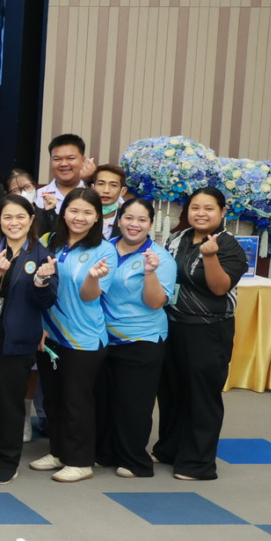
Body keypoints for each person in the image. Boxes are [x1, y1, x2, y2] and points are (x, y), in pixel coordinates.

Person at [155, 188, 248, 481]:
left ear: (222, 212)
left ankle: (198, 463)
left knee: (201, 395)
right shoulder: (177, 238)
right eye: (195, 207)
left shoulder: (229, 245)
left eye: (209, 208)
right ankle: (169, 449)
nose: (201, 213)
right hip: (173, 325)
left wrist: (210, 257)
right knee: (171, 391)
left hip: (208, 330)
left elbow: (220, 288)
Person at [0, 194, 57, 485]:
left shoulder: (41, 255)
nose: (13, 223)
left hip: (16, 338)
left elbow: (46, 301)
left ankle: (7, 461)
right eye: (7, 217)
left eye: (20, 217)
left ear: (31, 220)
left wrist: (41, 281)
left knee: (8, 401)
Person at [29, 188, 112, 483]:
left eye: (88, 213)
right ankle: (58, 451)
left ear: (97, 217)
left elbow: (90, 296)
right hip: (49, 334)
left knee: (76, 400)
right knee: (53, 398)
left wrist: (92, 277)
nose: (80, 217)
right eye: (74, 211)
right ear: (63, 213)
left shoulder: (104, 251)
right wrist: (38, 325)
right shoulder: (47, 241)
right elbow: (34, 284)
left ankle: (80, 460)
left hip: (84, 338)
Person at [94, 196, 177, 478]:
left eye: (142, 220)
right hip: (102, 336)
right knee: (104, 399)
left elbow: (156, 303)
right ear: (119, 220)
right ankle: (104, 452)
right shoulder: (104, 249)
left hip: (141, 339)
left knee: (133, 404)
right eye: (129, 217)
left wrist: (149, 273)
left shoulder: (159, 257)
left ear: (151, 224)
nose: (134, 224)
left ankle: (133, 460)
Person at [35, 133, 94, 232]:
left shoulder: (95, 193)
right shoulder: (37, 197)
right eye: (57, 159)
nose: (63, 164)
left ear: (83, 160)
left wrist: (92, 180)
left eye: (70, 158)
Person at [90, 164, 126, 238]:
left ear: (122, 191)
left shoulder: (127, 221)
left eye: (113, 185)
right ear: (92, 188)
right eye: (101, 184)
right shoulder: (82, 218)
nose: (106, 190)